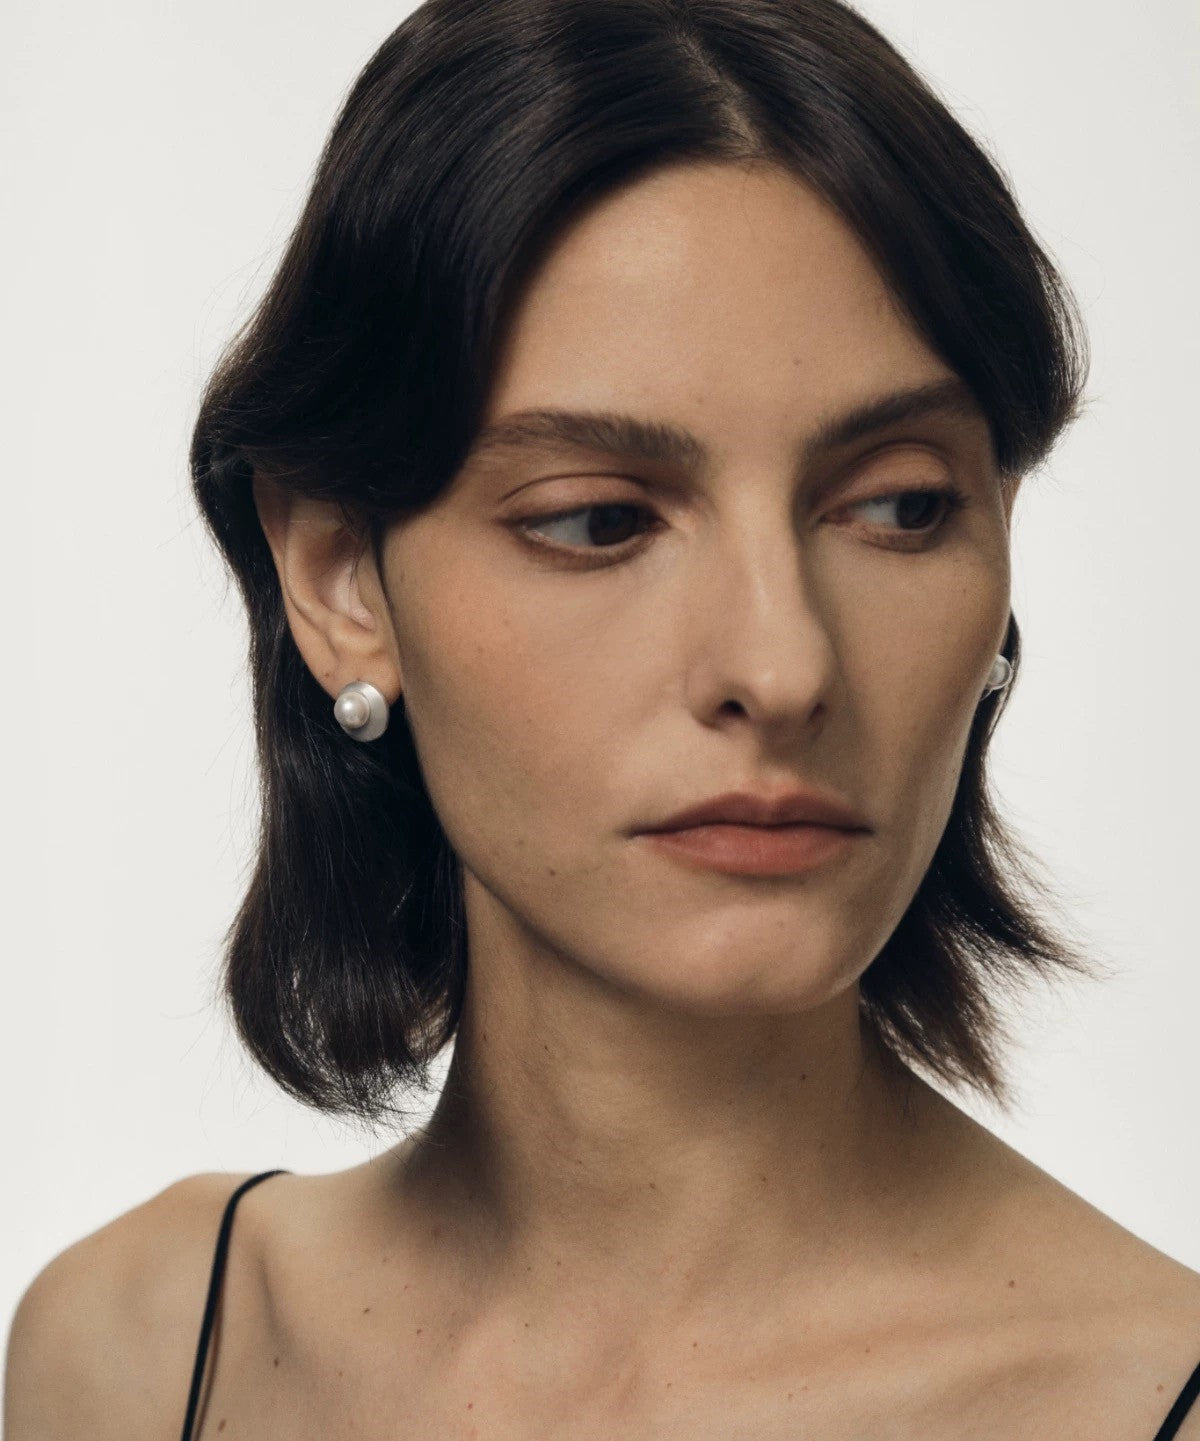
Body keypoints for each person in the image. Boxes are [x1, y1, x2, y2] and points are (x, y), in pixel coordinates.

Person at [6, 0, 1199, 1437]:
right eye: (599, 519)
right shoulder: (134, 1356)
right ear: (338, 578)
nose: (783, 665)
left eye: (899, 506)